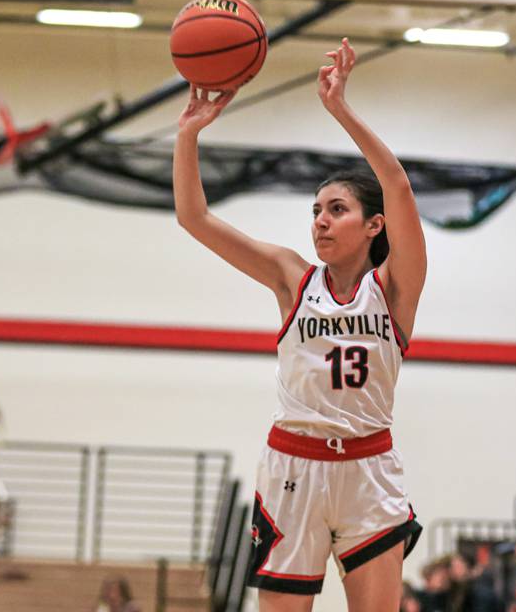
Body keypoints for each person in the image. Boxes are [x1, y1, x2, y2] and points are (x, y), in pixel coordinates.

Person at [173, 37, 426, 612]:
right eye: (315, 211)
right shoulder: (292, 277)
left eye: (337, 210)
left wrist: (340, 110)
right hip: (295, 465)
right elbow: (194, 217)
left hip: (369, 468)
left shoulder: (393, 289)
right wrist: (188, 133)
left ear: (373, 225)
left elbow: (400, 186)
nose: (320, 221)